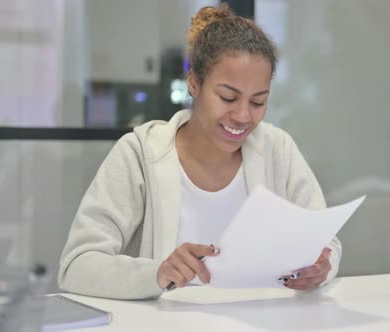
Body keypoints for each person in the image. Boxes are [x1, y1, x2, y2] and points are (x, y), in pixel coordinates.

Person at [58, 4, 341, 300]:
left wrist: (322, 267)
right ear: (194, 83)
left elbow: (326, 243)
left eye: (258, 102)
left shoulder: (277, 149)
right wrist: (156, 273)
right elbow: (77, 266)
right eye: (228, 97)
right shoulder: (139, 154)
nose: (243, 116)